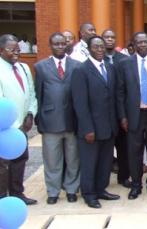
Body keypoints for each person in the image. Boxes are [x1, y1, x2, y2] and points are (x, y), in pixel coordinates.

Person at [117, 32, 147, 200]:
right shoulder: (125, 64)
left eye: (145, 42)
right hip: (134, 115)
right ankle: (136, 185)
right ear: (134, 44)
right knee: (134, 152)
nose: (143, 44)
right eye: (139, 42)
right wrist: (123, 117)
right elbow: (120, 93)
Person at [71, 35, 120, 208]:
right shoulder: (81, 70)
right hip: (91, 128)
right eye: (96, 47)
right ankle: (89, 194)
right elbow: (80, 103)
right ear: (89, 49)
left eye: (101, 47)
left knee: (105, 161)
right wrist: (87, 128)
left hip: (109, 126)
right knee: (89, 162)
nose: (100, 50)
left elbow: (113, 97)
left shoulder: (109, 67)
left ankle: (101, 189)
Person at [34, 32, 81, 204]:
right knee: (52, 160)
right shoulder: (40, 67)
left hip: (72, 120)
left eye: (63, 44)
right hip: (50, 120)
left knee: (73, 158)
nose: (60, 46)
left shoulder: (76, 65)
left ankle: (71, 189)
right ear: (50, 45)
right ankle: (53, 191)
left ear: (68, 45)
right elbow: (38, 94)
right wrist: (39, 119)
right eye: (56, 44)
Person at [0, 34, 38, 205]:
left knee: (21, 159)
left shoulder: (23, 68)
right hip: (5, 127)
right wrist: (15, 125)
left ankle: (17, 193)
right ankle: (2, 196)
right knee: (3, 164)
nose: (16, 52)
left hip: (23, 125)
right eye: (11, 49)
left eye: (18, 49)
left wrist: (30, 114)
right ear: (1, 50)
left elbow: (31, 94)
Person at [101, 29, 131, 188]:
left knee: (124, 146)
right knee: (105, 150)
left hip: (123, 110)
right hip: (104, 113)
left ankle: (124, 176)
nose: (110, 40)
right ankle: (103, 179)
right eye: (106, 37)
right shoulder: (97, 58)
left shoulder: (125, 59)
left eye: (113, 37)